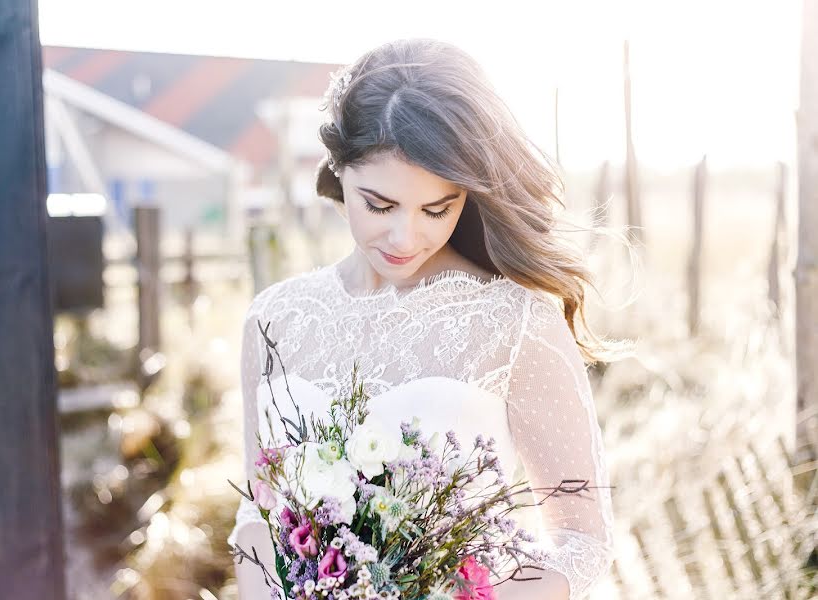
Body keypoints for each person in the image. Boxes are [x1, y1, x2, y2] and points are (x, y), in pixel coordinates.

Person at [228, 38, 631, 600]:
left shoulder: (514, 320)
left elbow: (583, 540)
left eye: (436, 209)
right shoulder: (274, 319)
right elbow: (258, 507)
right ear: (339, 169)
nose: (405, 237)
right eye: (380, 204)